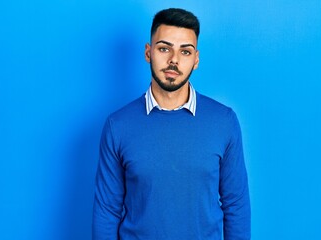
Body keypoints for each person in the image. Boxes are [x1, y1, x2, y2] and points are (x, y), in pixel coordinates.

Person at [92, 8, 251, 240]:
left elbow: (236, 205)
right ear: (148, 52)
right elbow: (107, 210)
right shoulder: (118, 126)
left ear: (196, 59)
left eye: (185, 52)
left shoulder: (224, 121)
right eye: (164, 48)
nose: (173, 60)